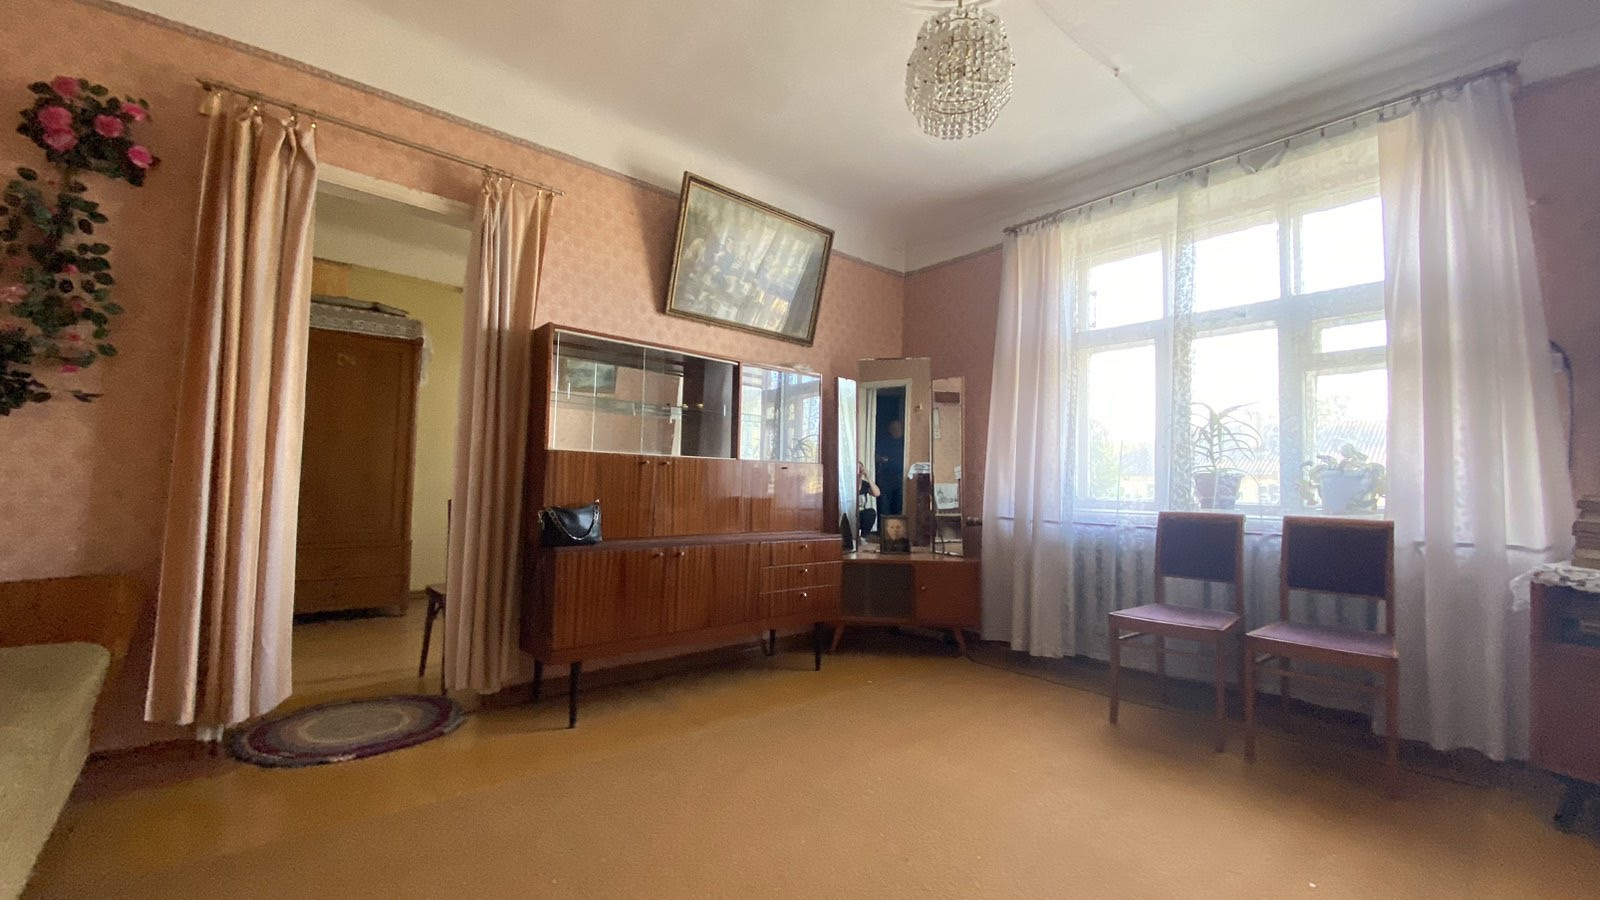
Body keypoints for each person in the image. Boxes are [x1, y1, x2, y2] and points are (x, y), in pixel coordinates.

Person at [875, 418, 905, 515]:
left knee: (899, 503)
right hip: (886, 477)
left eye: (898, 428)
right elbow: (874, 455)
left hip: (901, 476)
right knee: (885, 504)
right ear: (889, 430)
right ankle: (885, 523)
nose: (896, 430)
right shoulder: (884, 442)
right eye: (893, 428)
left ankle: (897, 522)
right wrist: (881, 458)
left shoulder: (905, 442)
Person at [857, 461, 880, 536]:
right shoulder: (847, 483)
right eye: (857, 468)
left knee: (871, 512)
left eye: (861, 468)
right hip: (849, 512)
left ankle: (863, 537)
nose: (859, 471)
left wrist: (868, 477)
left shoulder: (864, 484)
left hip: (860, 514)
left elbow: (877, 493)